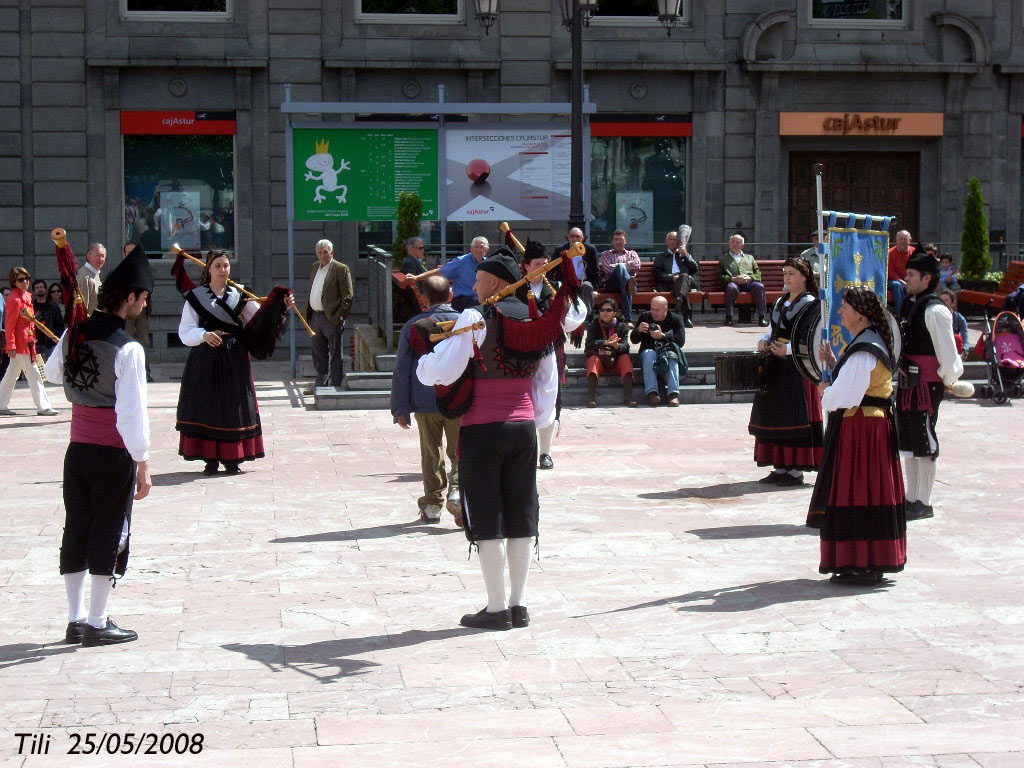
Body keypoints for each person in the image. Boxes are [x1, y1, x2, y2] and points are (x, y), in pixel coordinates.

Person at [416, 250, 581, 630]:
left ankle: (496, 609)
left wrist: (426, 362)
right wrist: (536, 423)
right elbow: (546, 383)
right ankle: (519, 605)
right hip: (523, 430)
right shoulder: (535, 318)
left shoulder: (477, 317)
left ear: (492, 282)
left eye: (478, 280)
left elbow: (442, 370)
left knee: (488, 515)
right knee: (521, 511)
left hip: (482, 430)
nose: (472, 285)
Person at [44, 246, 153, 645]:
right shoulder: (129, 348)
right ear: (129, 298)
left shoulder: (77, 331)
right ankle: (97, 620)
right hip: (111, 451)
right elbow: (131, 413)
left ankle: (75, 618)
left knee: (77, 527)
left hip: (78, 450)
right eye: (142, 298)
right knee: (109, 530)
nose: (144, 304)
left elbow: (54, 374)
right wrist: (142, 461)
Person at [807, 286, 906, 586]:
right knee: (868, 490)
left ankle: (863, 561)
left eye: (845, 307)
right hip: (869, 426)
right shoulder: (866, 343)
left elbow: (844, 396)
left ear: (860, 314)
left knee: (860, 490)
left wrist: (825, 392)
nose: (840, 312)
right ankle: (867, 559)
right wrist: (838, 365)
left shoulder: (865, 348)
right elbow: (860, 383)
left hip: (863, 429)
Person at [175, 250, 295, 474]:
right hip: (205, 358)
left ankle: (232, 459)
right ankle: (210, 459)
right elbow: (185, 330)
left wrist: (281, 308)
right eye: (218, 265)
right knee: (207, 406)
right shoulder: (196, 296)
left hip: (234, 359)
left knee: (233, 406)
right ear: (208, 269)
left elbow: (260, 322)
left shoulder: (240, 295)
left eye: (226, 265)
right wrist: (203, 335)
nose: (223, 270)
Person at [896, 252, 963, 521]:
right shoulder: (910, 304)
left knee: (925, 441)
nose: (906, 278)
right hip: (906, 382)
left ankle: (925, 501)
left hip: (925, 386)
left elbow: (948, 353)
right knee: (910, 442)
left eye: (911, 275)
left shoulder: (936, 310)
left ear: (927, 278)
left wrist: (949, 379)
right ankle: (910, 498)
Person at [390, 276, 462, 524]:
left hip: (425, 398)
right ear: (450, 296)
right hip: (457, 398)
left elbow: (403, 368)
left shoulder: (413, 325)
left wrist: (400, 407)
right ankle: (458, 493)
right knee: (460, 451)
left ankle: (432, 504)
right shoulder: (465, 322)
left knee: (431, 453)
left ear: (424, 299)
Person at [748, 257, 823, 486]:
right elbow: (772, 330)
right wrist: (763, 341)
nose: (787, 278)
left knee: (793, 416)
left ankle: (795, 470)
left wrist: (789, 350)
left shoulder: (811, 303)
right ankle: (779, 467)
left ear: (804, 276)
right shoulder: (781, 302)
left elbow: (815, 338)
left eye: (791, 273)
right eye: (785, 273)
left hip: (797, 369)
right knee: (775, 416)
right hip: (776, 368)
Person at [514, 240, 586, 470]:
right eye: (538, 264)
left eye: (546, 264)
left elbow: (572, 319)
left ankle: (545, 452)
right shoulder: (513, 290)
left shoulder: (554, 290)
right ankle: (523, 449)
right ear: (526, 266)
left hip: (550, 350)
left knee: (551, 398)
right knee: (520, 399)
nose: (543, 268)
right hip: (520, 351)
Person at [0, 268, 59, 416]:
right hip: (21, 344)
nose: (25, 281)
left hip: (28, 341)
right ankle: (43, 407)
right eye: (21, 279)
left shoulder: (25, 296)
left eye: (26, 278)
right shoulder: (14, 299)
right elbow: (10, 325)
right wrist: (11, 345)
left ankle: (1, 404)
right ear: (14, 282)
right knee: (34, 375)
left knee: (12, 374)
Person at [305, 238, 353, 389]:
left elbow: (347, 295)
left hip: (331, 317)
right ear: (316, 254)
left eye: (325, 252)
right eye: (320, 252)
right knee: (318, 352)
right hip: (315, 316)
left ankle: (336, 382)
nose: (323, 255)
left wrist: (340, 316)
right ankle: (321, 382)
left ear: (332, 252)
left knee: (335, 352)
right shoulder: (314, 267)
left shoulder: (340, 269)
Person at [407, 236, 489, 312]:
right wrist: (416, 277)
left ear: (487, 250)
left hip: (480, 302)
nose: (479, 250)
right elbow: (439, 272)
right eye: (476, 247)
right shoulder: (461, 261)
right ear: (471, 249)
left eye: (482, 247)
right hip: (464, 302)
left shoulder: (489, 263)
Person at [630, 295, 685, 407]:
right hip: (648, 351)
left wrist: (662, 336)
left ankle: (673, 394)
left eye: (657, 310)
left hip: (667, 351)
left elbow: (681, 341)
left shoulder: (676, 319)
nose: (654, 313)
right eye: (652, 309)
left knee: (672, 357)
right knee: (649, 354)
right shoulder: (645, 316)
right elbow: (633, 340)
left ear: (665, 309)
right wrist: (639, 330)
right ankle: (652, 394)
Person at [584, 299, 636, 408]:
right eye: (602, 310)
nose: (604, 313)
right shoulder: (593, 325)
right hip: (600, 361)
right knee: (593, 359)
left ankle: (629, 397)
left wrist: (617, 346)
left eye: (608, 310)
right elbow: (588, 346)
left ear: (615, 313)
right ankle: (591, 398)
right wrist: (604, 343)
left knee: (626, 358)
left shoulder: (622, 326)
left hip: (616, 360)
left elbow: (626, 347)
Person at [652, 231, 699, 328]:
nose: (672, 242)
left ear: (679, 242)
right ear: (666, 241)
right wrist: (671, 277)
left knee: (684, 277)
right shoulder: (661, 257)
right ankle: (686, 317)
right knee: (683, 289)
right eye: (670, 239)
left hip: (686, 281)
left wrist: (685, 255)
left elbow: (695, 269)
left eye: (675, 240)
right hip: (670, 284)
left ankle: (680, 298)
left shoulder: (684, 255)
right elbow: (658, 274)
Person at [717, 233, 766, 326]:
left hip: (749, 284)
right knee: (731, 288)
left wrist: (750, 278)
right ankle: (729, 318)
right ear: (729, 244)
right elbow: (719, 277)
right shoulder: (723, 259)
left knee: (760, 286)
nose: (735, 244)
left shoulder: (750, 258)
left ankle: (762, 317)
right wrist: (733, 278)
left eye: (738, 242)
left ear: (742, 245)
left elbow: (758, 274)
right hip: (734, 283)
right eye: (733, 242)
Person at [552, 227, 598, 316]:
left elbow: (596, 270)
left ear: (582, 238)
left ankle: (587, 317)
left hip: (583, 281)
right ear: (568, 237)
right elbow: (552, 268)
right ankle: (563, 317)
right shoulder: (560, 249)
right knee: (561, 288)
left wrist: (596, 289)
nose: (575, 239)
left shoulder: (590, 249)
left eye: (578, 236)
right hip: (565, 281)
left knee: (587, 286)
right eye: (572, 236)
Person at [598, 229, 641, 321]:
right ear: (612, 241)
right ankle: (629, 283)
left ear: (625, 241)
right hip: (611, 285)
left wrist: (618, 266)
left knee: (624, 287)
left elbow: (637, 266)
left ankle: (627, 319)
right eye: (616, 239)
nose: (618, 242)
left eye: (621, 239)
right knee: (622, 270)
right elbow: (607, 269)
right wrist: (624, 265)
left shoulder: (632, 253)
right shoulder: (606, 254)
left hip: (623, 287)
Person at [31, 278, 64, 357]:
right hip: (35, 344)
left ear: (46, 290)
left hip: (50, 345)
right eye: (37, 288)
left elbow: (60, 326)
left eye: (41, 287)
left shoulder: (53, 306)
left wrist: (53, 336)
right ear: (34, 291)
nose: (39, 289)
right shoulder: (31, 306)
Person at [76, 243, 106, 316]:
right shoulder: (85, 277)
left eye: (103, 256)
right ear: (88, 256)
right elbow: (82, 310)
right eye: (98, 255)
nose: (100, 259)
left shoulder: (95, 274)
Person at [887, 229, 914, 310]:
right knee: (897, 285)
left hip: (909, 279)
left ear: (910, 240)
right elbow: (891, 273)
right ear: (896, 240)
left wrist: (909, 281)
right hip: (894, 280)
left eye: (905, 239)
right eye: (900, 239)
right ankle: (901, 313)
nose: (902, 241)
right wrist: (903, 283)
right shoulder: (890, 253)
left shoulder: (914, 252)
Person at [940, 289, 970, 357]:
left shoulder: (960, 319)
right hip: (938, 349)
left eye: (946, 300)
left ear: (953, 303)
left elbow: (965, 340)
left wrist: (964, 350)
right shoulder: (934, 317)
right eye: (941, 301)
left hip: (954, 351)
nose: (943, 303)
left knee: (957, 338)